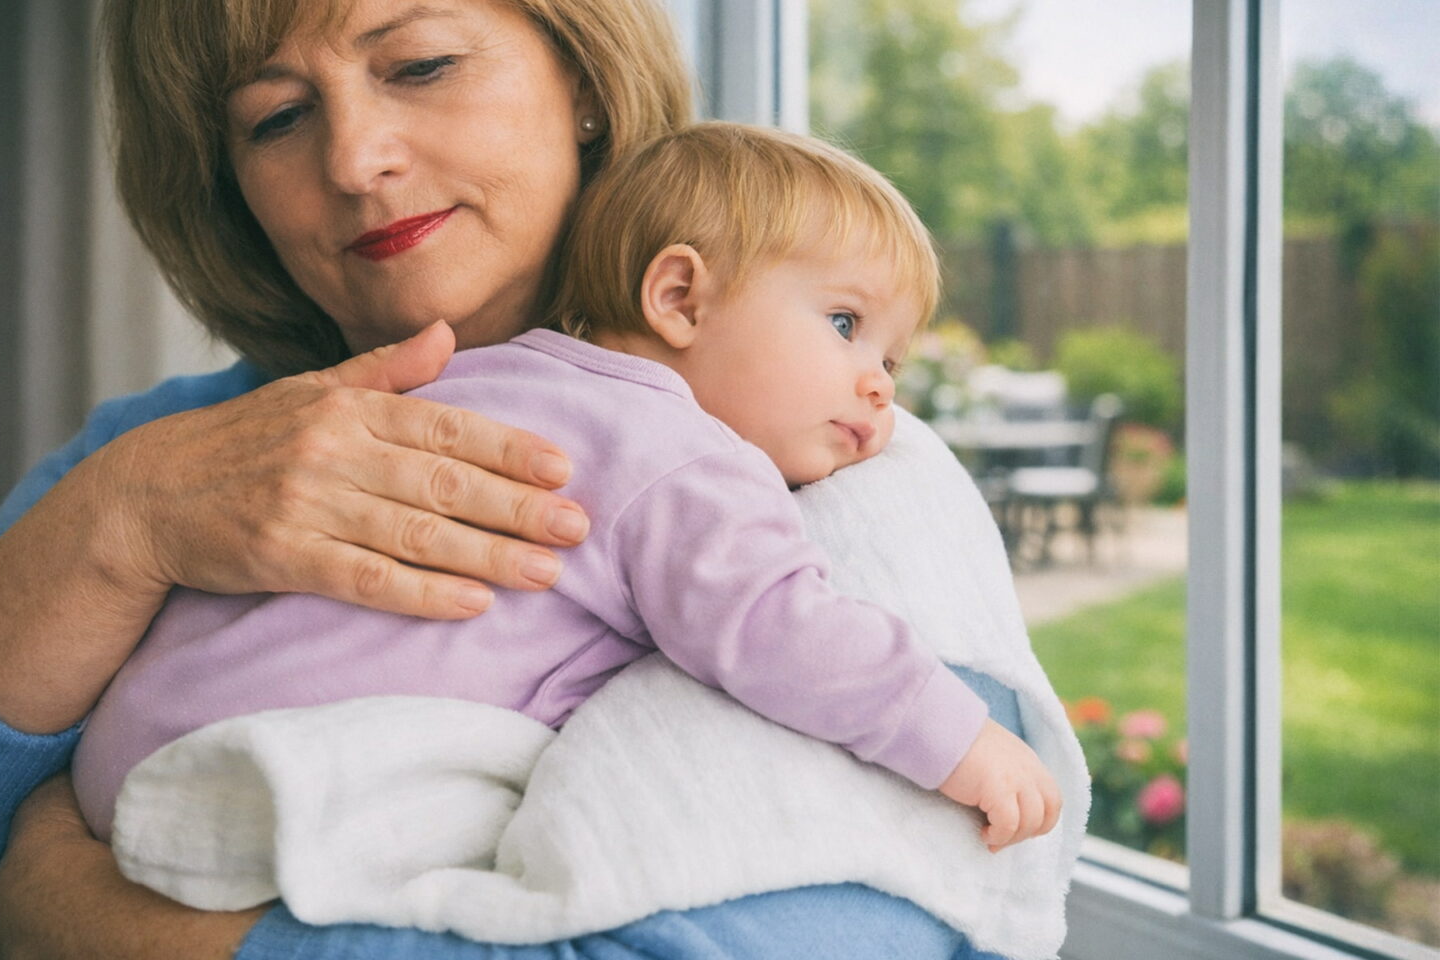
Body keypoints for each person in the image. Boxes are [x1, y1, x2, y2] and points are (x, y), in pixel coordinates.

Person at [0, 1, 1053, 958]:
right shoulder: (156, 448)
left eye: (417, 63)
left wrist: (78, 919)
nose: (358, 160)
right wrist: (117, 528)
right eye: (272, 118)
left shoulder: (837, 473)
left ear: (581, 76)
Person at [72, 125, 1063, 887]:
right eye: (845, 325)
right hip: (281, 775)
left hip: (135, 737)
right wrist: (956, 737)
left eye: (890, 358)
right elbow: (776, 627)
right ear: (677, 297)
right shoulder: (681, 456)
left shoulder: (489, 375)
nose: (879, 385)